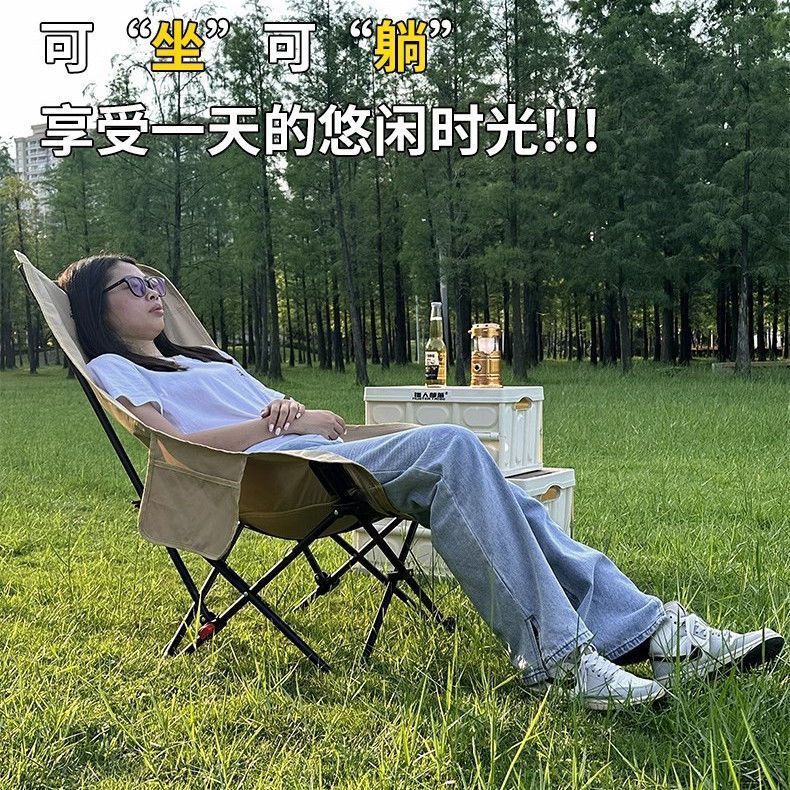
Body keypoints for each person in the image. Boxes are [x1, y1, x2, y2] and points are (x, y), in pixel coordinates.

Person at [57, 253, 785, 712]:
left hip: (324, 457)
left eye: (152, 279)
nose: (151, 290)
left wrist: (307, 416)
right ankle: (564, 661)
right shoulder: (116, 368)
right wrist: (269, 426)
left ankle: (649, 631)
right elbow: (174, 446)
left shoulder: (206, 360)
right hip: (275, 482)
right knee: (455, 448)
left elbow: (308, 416)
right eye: (132, 285)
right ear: (98, 306)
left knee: (506, 497)